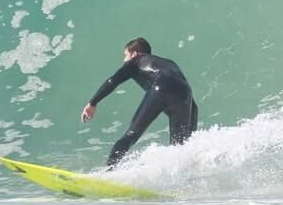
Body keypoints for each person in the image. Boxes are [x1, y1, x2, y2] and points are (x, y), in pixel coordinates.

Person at [81, 37, 199, 168]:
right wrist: (191, 134)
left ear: (135, 53)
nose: (124, 60)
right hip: (185, 94)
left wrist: (92, 103)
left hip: (162, 86)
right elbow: (194, 108)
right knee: (179, 146)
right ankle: (180, 179)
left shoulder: (136, 61)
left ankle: (109, 169)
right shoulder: (169, 63)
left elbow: (112, 81)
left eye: (125, 55)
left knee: (132, 134)